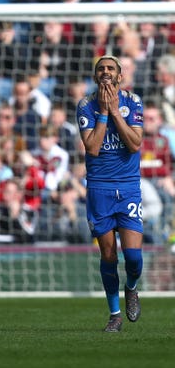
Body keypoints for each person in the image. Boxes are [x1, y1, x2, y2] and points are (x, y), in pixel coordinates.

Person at [76, 55, 144, 332]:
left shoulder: (133, 101)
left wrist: (116, 111)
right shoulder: (85, 105)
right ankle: (114, 314)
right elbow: (92, 147)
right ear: (95, 76)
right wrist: (104, 112)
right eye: (101, 69)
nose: (105, 72)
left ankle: (131, 287)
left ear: (120, 76)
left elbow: (135, 144)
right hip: (99, 188)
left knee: (134, 257)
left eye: (111, 68)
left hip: (128, 187)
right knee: (108, 256)